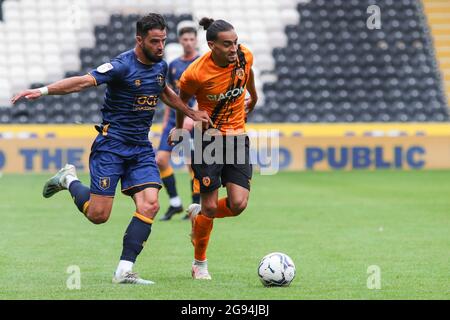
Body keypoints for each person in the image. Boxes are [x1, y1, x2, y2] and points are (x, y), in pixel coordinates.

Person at [11, 13, 211, 285]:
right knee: (98, 215)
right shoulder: (121, 65)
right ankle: (68, 179)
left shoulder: (160, 65)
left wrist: (189, 111)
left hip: (140, 147)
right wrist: (42, 91)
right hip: (112, 146)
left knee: (150, 204)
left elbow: (163, 91)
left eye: (163, 40)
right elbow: (82, 81)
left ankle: (124, 271)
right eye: (154, 41)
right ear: (139, 40)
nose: (161, 47)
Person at [169, 17, 258, 280]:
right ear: (212, 45)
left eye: (235, 43)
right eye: (227, 45)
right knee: (210, 207)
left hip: (237, 137)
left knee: (238, 204)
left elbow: (248, 72)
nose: (234, 49)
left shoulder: (244, 56)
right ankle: (200, 264)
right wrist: (179, 129)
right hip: (207, 139)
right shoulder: (195, 73)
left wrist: (254, 95)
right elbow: (180, 102)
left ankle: (199, 215)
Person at [157, 24, 201, 221]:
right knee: (160, 160)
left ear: (196, 41)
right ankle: (175, 202)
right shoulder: (173, 65)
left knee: (192, 165)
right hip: (175, 120)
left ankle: (195, 205)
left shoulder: (202, 63)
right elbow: (170, 97)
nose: (188, 42)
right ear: (180, 41)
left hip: (193, 121)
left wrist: (193, 116)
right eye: (185, 39)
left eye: (192, 39)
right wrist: (166, 122)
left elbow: (204, 93)